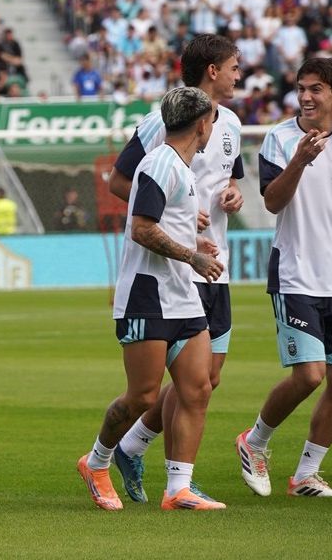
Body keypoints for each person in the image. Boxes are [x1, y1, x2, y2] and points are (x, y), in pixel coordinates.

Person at [106, 34, 244, 503]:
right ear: (211, 71)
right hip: (174, 267)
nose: (237, 75)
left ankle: (139, 452)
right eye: (233, 67)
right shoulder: (158, 126)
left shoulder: (234, 125)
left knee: (204, 382)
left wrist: (233, 198)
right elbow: (122, 182)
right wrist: (173, 212)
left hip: (213, 265)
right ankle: (157, 468)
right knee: (168, 387)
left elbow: (229, 183)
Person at [77, 86, 226, 511]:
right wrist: (192, 255)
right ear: (202, 124)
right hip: (147, 295)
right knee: (142, 396)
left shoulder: (182, 166)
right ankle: (98, 461)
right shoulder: (159, 164)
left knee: (197, 388)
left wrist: (194, 242)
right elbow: (141, 228)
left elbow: (162, 223)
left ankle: (178, 488)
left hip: (181, 295)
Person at [236, 57, 332, 498]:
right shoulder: (279, 138)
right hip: (296, 275)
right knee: (310, 376)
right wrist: (301, 160)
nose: (307, 97)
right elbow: (272, 202)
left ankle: (306, 474)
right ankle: (254, 442)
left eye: (317, 88)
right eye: (302, 88)